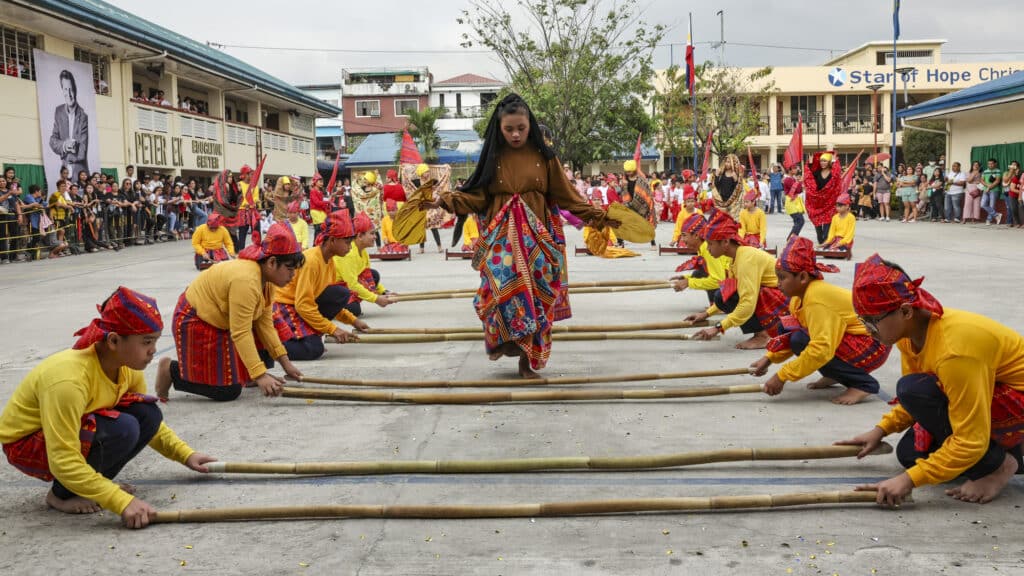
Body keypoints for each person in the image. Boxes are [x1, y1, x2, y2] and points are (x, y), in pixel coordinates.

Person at [420, 93, 619, 378]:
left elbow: (568, 198)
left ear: (531, 126)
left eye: (521, 128)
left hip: (539, 244)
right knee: (497, 295)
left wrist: (600, 216)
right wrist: (443, 201)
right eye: (509, 129)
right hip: (501, 243)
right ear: (499, 129)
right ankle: (504, 341)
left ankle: (526, 360)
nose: (515, 134)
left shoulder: (546, 158)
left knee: (537, 301)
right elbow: (475, 197)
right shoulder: (493, 158)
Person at [0, 287, 215, 528]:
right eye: (146, 342)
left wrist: (186, 455)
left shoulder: (127, 367)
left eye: (155, 340)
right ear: (113, 340)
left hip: (72, 431)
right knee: (123, 428)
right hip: (27, 443)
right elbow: (62, 459)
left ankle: (93, 483)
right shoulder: (68, 381)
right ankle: (61, 495)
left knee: (147, 413)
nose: (153, 350)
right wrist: (120, 500)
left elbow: (149, 422)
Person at [837, 255, 1024, 507]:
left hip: (1014, 403)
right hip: (985, 397)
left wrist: (908, 481)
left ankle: (1000, 465)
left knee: (913, 391)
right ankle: (1007, 453)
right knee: (910, 454)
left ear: (905, 311)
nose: (867, 329)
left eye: (872, 320)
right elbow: (912, 403)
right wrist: (880, 430)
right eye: (862, 320)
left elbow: (970, 438)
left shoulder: (954, 350)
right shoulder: (909, 334)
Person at [155, 222, 304, 402]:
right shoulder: (247, 280)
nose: (293, 275)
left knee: (260, 354)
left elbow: (265, 325)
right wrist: (259, 375)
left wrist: (286, 364)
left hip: (221, 319)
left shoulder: (267, 281)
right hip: (196, 319)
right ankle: (171, 371)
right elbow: (240, 332)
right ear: (272, 262)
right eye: (290, 269)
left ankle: (247, 374)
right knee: (228, 391)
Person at [749, 237, 891, 405]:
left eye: (782, 278)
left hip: (874, 344)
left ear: (802, 277)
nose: (777, 284)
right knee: (787, 328)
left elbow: (821, 349)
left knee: (802, 340)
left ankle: (864, 384)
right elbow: (791, 335)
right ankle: (835, 374)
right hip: (853, 340)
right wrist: (769, 359)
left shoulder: (817, 299)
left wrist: (782, 376)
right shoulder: (799, 297)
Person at [685, 210, 788, 350]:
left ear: (726, 242)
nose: (708, 248)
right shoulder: (735, 257)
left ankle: (763, 335)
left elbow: (747, 303)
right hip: (776, 295)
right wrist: (706, 313)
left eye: (710, 244)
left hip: (786, 300)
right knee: (722, 296)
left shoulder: (746, 259)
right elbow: (729, 292)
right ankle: (762, 331)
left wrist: (718, 328)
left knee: (742, 296)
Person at [273, 210, 366, 361]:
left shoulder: (329, 261)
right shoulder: (311, 261)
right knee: (313, 349)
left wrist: (353, 321)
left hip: (299, 306)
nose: (350, 247)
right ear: (332, 241)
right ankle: (265, 345)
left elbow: (327, 300)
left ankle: (312, 334)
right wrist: (333, 329)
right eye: (347, 242)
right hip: (283, 305)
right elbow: (303, 304)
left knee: (340, 294)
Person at [333, 212, 398, 317]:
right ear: (359, 236)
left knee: (373, 275)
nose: (375, 237)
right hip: (332, 288)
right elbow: (352, 284)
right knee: (353, 310)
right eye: (372, 233)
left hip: (344, 286)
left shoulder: (362, 251)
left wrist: (384, 293)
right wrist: (376, 299)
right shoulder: (348, 253)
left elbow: (369, 279)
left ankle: (350, 301)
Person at [669, 213, 731, 304]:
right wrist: (686, 278)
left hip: (737, 282)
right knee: (698, 273)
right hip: (727, 277)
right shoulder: (702, 247)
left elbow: (718, 281)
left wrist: (688, 282)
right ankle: (717, 303)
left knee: (700, 274)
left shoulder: (708, 249)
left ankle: (721, 304)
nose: (681, 240)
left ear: (696, 235)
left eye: (684, 235)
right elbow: (710, 271)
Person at [48, 70, 90, 177]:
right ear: (62, 90)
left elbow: (82, 150)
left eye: (71, 89)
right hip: (64, 170)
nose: (69, 94)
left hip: (80, 172)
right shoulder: (59, 111)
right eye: (66, 89)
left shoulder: (83, 116)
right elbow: (53, 140)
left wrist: (68, 154)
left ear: (75, 90)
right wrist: (65, 145)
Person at [803, 151, 843, 244]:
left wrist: (835, 161)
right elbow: (809, 176)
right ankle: (821, 239)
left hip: (829, 202)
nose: (822, 163)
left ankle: (826, 240)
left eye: (825, 161)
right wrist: (810, 163)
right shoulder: (817, 172)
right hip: (817, 201)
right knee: (817, 224)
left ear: (829, 162)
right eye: (821, 161)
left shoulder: (833, 173)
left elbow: (837, 174)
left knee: (827, 222)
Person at [622, 160, 656, 249]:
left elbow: (647, 193)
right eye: (627, 171)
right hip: (630, 205)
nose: (628, 173)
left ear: (634, 170)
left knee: (647, 224)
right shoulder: (624, 181)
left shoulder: (641, 180)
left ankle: (653, 243)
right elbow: (624, 194)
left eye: (629, 171)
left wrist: (649, 203)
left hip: (642, 205)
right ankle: (620, 242)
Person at [351, 171, 383, 247]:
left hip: (369, 213)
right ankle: (374, 246)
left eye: (366, 179)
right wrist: (377, 175)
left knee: (372, 230)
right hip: (371, 213)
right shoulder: (374, 189)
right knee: (371, 230)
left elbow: (356, 188)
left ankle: (376, 246)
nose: (364, 180)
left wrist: (356, 179)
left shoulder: (366, 189)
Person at [712, 154, 747, 220]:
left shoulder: (736, 175)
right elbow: (717, 186)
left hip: (732, 202)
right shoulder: (722, 173)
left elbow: (737, 189)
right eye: (726, 162)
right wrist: (716, 176)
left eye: (729, 162)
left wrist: (736, 180)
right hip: (721, 201)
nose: (726, 163)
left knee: (731, 220)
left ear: (733, 163)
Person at [782, 165, 806, 239]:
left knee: (798, 221)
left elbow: (799, 190)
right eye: (794, 168)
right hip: (791, 202)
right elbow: (797, 190)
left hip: (794, 201)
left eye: (796, 168)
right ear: (789, 170)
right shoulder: (788, 179)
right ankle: (791, 238)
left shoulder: (793, 178)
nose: (796, 169)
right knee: (800, 221)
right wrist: (801, 182)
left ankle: (793, 238)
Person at [980, 158, 1003, 226]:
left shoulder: (998, 171)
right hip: (985, 190)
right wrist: (987, 186)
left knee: (991, 205)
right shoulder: (985, 171)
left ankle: (988, 220)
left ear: (995, 164)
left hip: (994, 190)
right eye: (989, 164)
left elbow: (997, 181)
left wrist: (989, 187)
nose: (990, 165)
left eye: (992, 164)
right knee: (982, 205)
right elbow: (981, 180)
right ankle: (997, 215)